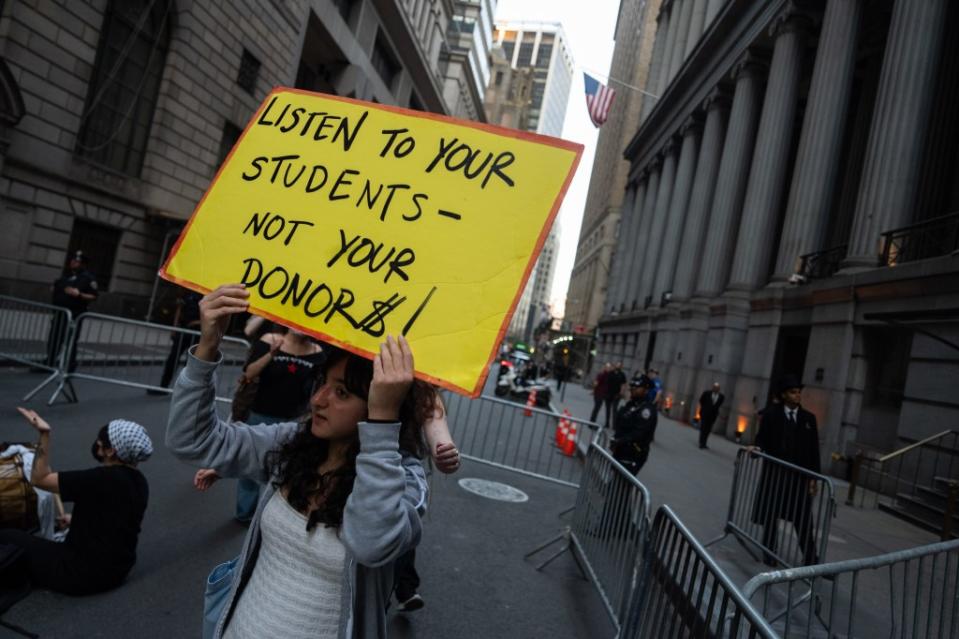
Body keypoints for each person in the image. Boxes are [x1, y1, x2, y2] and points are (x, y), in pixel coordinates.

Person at [167, 283, 432, 638]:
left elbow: (371, 543)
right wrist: (207, 347)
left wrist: (382, 420)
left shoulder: (406, 480)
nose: (318, 400)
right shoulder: (292, 443)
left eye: (341, 393)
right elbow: (193, 440)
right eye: (323, 382)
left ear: (378, 402)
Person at [0, 408, 151, 595]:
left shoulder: (98, 479)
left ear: (111, 451)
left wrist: (44, 434)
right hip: (118, 571)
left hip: (80, 575)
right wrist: (77, 519)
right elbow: (114, 517)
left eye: (100, 443)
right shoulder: (140, 482)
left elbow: (39, 479)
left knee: (7, 535)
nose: (97, 444)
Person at [232, 326, 325, 523]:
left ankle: (271, 516)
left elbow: (318, 388)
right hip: (259, 415)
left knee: (285, 471)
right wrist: (271, 354)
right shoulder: (269, 339)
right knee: (249, 467)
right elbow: (249, 373)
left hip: (293, 422)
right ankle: (245, 514)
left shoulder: (318, 353)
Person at [393, 396, 461, 613]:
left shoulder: (423, 387)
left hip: (395, 471)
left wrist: (445, 450)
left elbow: (433, 413)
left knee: (399, 529)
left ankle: (405, 588)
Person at [750, 374, 821, 567]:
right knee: (771, 514)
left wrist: (814, 478)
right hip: (775, 475)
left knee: (804, 518)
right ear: (783, 395)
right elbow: (761, 438)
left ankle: (811, 558)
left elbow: (814, 450)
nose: (797, 395)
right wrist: (756, 448)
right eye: (793, 392)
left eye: (799, 392)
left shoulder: (808, 419)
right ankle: (769, 551)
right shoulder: (772, 415)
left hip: (798, 478)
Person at [46, 251, 98, 370]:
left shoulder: (88, 278)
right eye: (73, 260)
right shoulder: (66, 276)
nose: (73, 262)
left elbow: (94, 296)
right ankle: (49, 361)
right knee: (54, 337)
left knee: (70, 340)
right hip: (60, 313)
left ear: (83, 264)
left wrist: (79, 294)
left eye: (77, 261)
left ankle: (69, 365)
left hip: (74, 314)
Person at [152, 290, 203, 392]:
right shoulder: (187, 291)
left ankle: (183, 390)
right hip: (183, 330)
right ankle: (163, 387)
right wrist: (174, 327)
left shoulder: (205, 293)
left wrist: (197, 322)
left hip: (197, 332)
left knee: (190, 364)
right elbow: (179, 309)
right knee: (172, 359)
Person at [610, 375, 657, 475]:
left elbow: (639, 433)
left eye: (637, 388)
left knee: (622, 484)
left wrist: (620, 441)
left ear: (646, 390)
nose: (633, 389)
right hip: (621, 450)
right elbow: (620, 423)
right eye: (632, 387)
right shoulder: (631, 405)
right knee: (615, 482)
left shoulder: (646, 410)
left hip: (633, 453)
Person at [697, 382, 725, 449]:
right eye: (715, 387)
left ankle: (705, 443)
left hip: (713, 415)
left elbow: (719, 405)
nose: (716, 389)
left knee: (708, 429)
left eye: (717, 388)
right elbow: (701, 401)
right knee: (703, 428)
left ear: (719, 389)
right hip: (705, 413)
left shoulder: (721, 397)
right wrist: (704, 408)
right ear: (712, 388)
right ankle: (701, 443)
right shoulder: (706, 393)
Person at [604, 362, 627, 428]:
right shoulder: (610, 373)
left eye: (619, 365)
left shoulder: (622, 374)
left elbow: (623, 384)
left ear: (621, 367)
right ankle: (607, 423)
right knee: (607, 409)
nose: (618, 366)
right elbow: (606, 383)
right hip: (608, 393)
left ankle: (614, 424)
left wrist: (621, 392)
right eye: (617, 365)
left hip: (616, 394)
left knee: (614, 409)